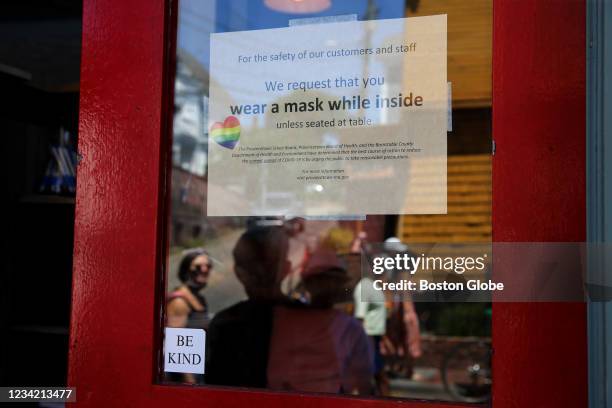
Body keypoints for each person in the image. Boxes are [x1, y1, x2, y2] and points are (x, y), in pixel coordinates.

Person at [267, 246, 374, 395]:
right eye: (322, 281)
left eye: (331, 281)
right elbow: (362, 380)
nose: (327, 286)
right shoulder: (286, 319)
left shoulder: (284, 319)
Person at [206, 226, 290, 388]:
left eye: (267, 266)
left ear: (238, 273)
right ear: (286, 268)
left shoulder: (224, 325)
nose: (260, 273)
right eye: (254, 267)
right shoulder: (309, 319)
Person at [166, 248, 213, 384]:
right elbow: (177, 349)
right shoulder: (180, 301)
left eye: (208, 266)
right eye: (198, 266)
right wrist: (191, 384)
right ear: (186, 269)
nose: (204, 270)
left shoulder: (199, 298)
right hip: (189, 379)